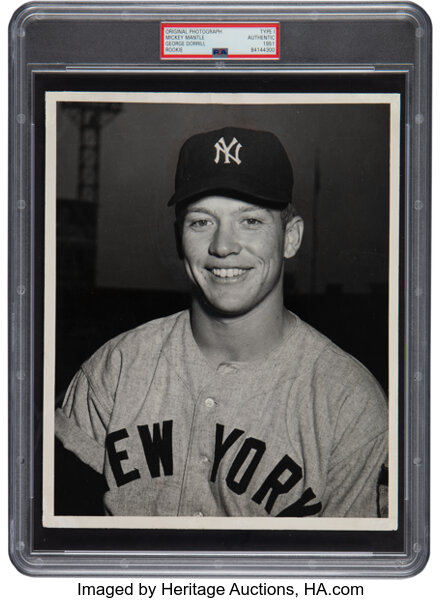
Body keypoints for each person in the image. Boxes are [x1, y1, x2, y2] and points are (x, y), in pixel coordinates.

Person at [55, 126, 388, 518]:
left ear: (290, 237)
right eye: (201, 222)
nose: (223, 246)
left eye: (250, 221)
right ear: (179, 237)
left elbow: (352, 576)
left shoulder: (349, 404)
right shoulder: (116, 368)